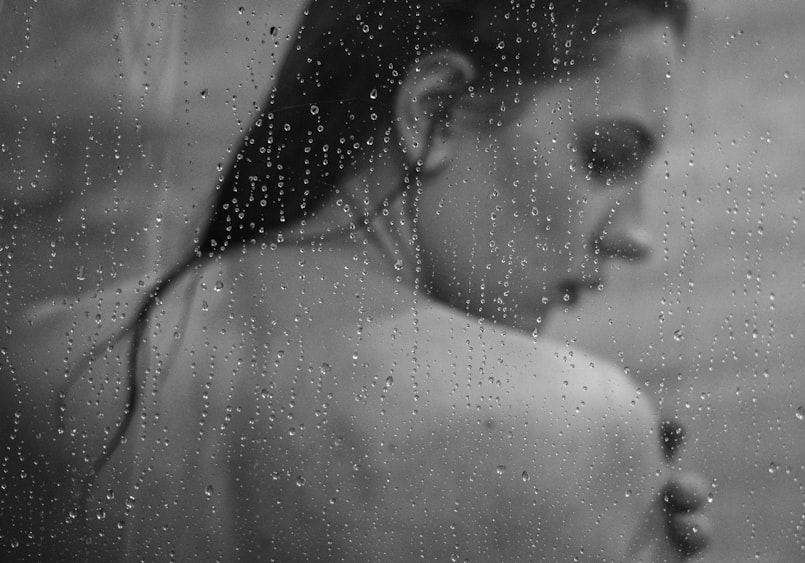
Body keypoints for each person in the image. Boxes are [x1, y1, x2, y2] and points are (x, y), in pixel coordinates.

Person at [3, 0, 712, 560]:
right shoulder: (569, 420)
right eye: (606, 156)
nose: (635, 234)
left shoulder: (35, 367)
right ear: (433, 113)